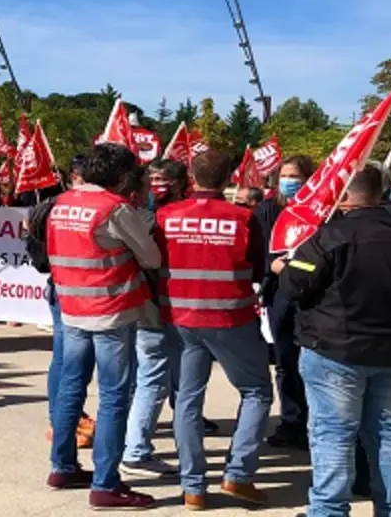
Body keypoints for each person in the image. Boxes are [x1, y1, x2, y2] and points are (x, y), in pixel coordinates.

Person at [281, 166, 391, 517]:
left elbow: (296, 286)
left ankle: (328, 511)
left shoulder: (332, 235)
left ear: (343, 195)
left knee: (334, 433)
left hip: (336, 352)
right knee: (389, 431)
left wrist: (285, 269)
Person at [44, 143, 161, 510]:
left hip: (72, 307)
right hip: (111, 311)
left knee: (70, 387)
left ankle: (62, 466)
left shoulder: (62, 202)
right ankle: (105, 484)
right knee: (113, 396)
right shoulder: (115, 209)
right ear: (123, 176)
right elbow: (151, 257)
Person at [155, 150, 272, 509]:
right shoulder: (243, 217)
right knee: (256, 391)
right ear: (229, 179)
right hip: (230, 317)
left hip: (181, 317)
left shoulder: (165, 215)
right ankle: (238, 476)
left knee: (188, 399)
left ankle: (193, 487)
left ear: (191, 175)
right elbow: (257, 268)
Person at [121, 158, 190, 478]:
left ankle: (132, 443)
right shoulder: (149, 220)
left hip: (151, 310)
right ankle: (136, 451)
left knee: (144, 380)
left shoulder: (142, 218)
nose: (155, 186)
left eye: (160, 180)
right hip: (155, 313)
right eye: (152, 180)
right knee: (152, 381)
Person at [27, 157, 97, 453]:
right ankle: (64, 422)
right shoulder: (58, 207)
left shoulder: (50, 207)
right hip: (73, 289)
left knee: (65, 356)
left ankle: (62, 419)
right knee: (73, 360)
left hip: (61, 287)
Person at [257, 155, 316, 450]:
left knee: (312, 363)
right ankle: (292, 420)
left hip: (310, 294)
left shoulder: (318, 211)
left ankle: (314, 422)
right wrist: (272, 265)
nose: (289, 181)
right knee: (285, 361)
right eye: (285, 175)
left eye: (295, 176)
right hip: (278, 293)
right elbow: (258, 249)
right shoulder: (268, 209)